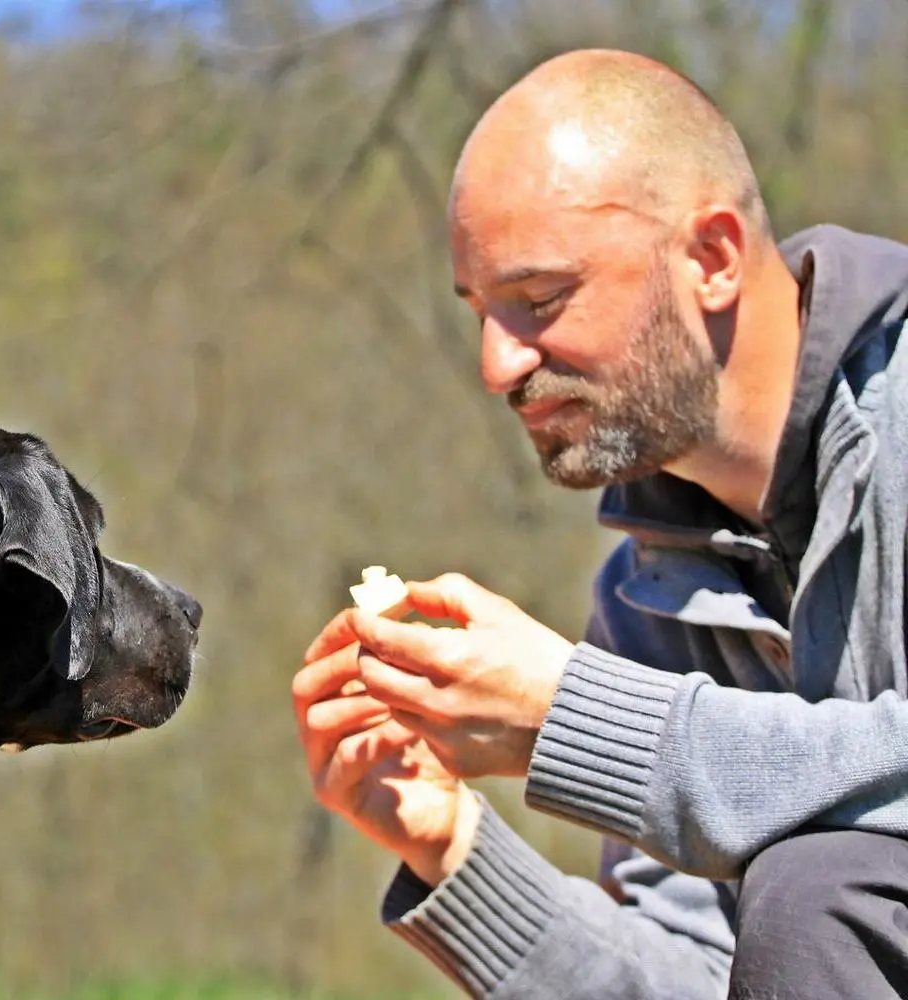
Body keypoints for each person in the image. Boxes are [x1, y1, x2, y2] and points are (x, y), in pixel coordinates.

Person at [292, 47, 908, 1000]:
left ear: (710, 259)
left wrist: (577, 723)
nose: (498, 365)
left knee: (819, 885)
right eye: (481, 312)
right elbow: (720, 979)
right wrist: (456, 853)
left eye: (540, 301)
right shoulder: (646, 595)